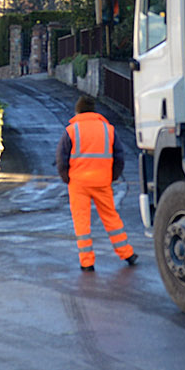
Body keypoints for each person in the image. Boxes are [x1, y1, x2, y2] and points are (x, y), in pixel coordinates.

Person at [55, 95, 136, 271]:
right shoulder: (108, 129)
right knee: (111, 217)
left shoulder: (71, 130)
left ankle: (87, 262)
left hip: (78, 184)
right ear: (94, 111)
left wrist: (67, 179)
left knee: (82, 222)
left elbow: (62, 158)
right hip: (102, 181)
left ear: (78, 110)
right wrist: (112, 177)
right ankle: (127, 253)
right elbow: (119, 157)